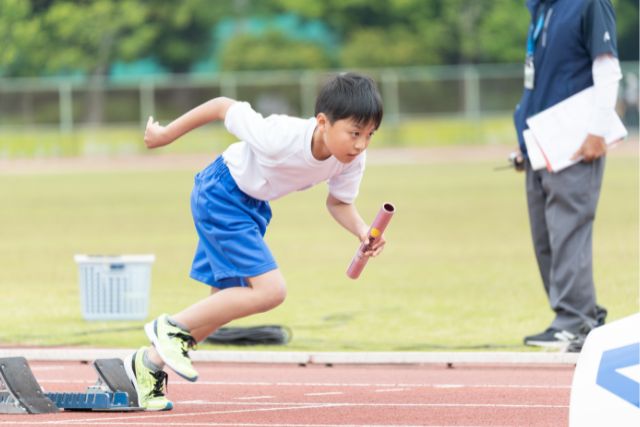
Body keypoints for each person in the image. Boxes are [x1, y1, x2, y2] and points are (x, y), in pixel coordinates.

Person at [124, 72, 385, 410]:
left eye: (369, 135)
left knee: (222, 306)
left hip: (252, 208)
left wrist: (363, 231)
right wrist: (164, 135)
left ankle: (147, 364)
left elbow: (338, 202)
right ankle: (170, 328)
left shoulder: (351, 159)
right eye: (354, 133)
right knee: (270, 290)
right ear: (323, 122)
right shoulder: (279, 136)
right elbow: (221, 106)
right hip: (221, 193)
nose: (361, 144)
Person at [513, 0, 622, 351]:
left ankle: (576, 321)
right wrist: (522, 143)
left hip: (574, 141)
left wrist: (598, 131)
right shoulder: (541, 9)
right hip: (540, 139)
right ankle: (575, 315)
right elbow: (536, 82)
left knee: (568, 231)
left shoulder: (589, 3)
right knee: (545, 237)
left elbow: (607, 68)